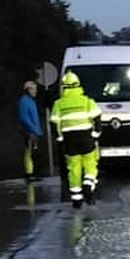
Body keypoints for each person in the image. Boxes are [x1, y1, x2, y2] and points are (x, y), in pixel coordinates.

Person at [50, 68, 101, 205]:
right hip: (86, 137)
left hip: (69, 140)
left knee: (73, 168)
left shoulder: (58, 104)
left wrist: (60, 139)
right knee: (90, 164)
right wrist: (95, 134)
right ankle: (88, 184)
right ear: (78, 84)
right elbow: (97, 118)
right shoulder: (86, 101)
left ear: (63, 87)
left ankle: (76, 199)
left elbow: (54, 123)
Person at [18, 79, 43, 178]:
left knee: (32, 152)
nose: (35, 91)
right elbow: (24, 118)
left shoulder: (30, 101)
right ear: (27, 90)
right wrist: (33, 130)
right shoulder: (24, 101)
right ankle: (29, 173)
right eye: (33, 89)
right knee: (29, 152)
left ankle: (32, 172)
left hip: (33, 131)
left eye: (35, 89)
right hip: (29, 131)